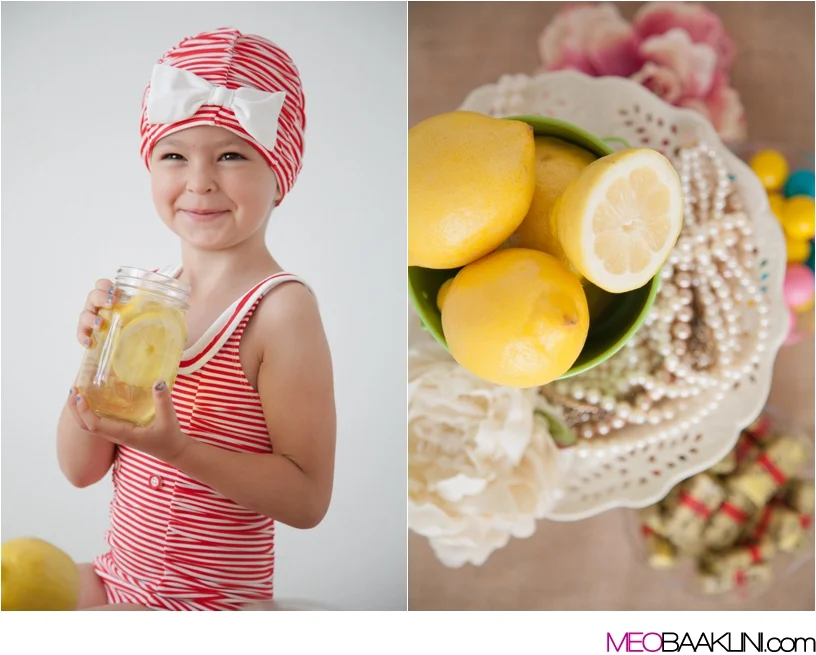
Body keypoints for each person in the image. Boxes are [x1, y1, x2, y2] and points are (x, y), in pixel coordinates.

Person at [56, 27, 336, 611]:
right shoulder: (145, 304)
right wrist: (94, 363)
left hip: (212, 606)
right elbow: (80, 470)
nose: (200, 180)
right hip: (117, 580)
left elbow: (308, 500)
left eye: (231, 155)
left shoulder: (280, 310)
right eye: (174, 155)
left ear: (280, 176)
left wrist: (178, 449)